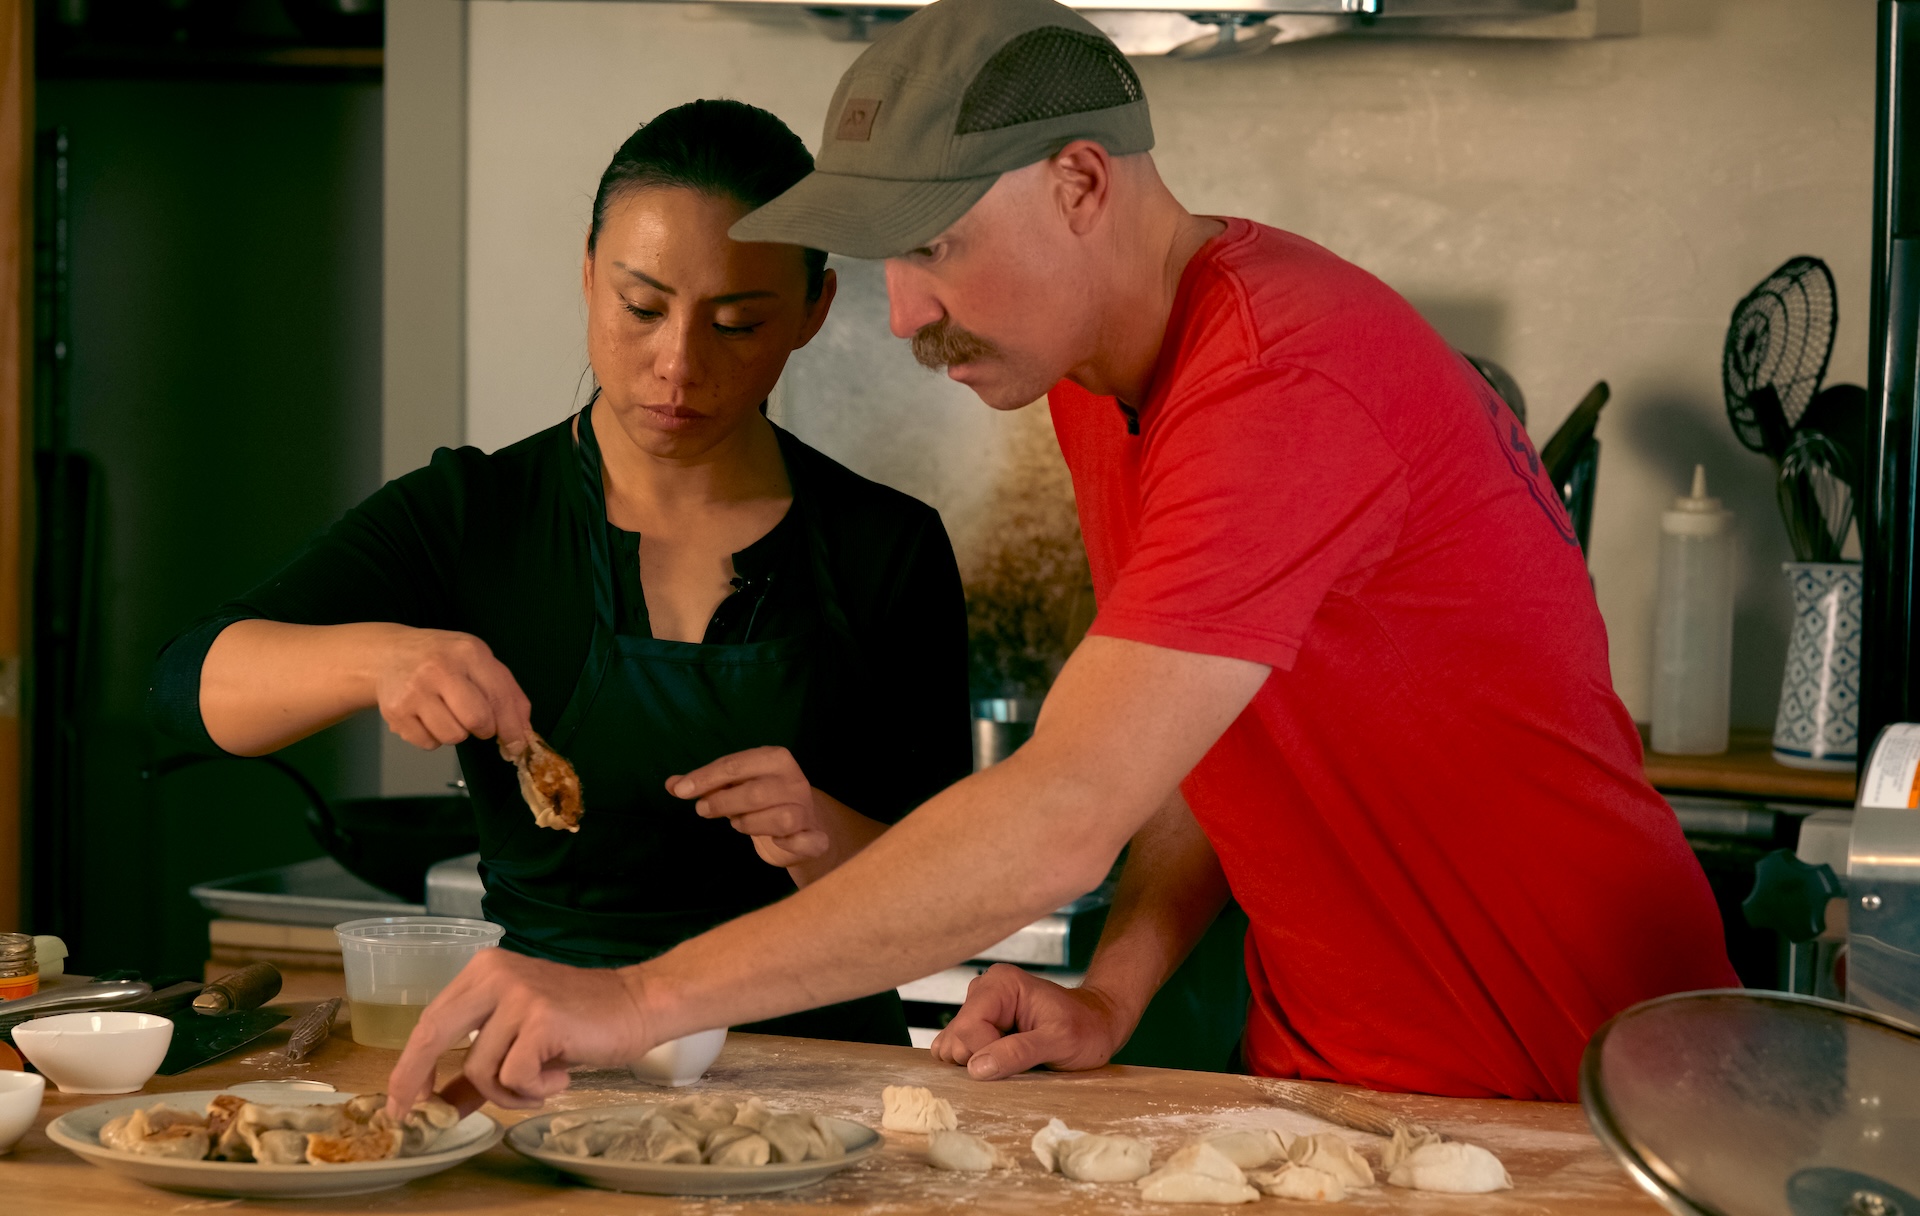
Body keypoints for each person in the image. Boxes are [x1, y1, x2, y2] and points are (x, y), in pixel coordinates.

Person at [385, 0, 1738, 1113]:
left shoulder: (1280, 382)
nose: (907, 310)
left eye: (935, 245)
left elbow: (1063, 813)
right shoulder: (1098, 381)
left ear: (1081, 182)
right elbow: (1211, 746)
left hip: (1572, 1088)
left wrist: (633, 997)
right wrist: (1114, 992)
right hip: (1339, 1087)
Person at [147, 99, 971, 1045]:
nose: (678, 364)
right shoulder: (477, 514)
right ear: (587, 279)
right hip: (545, 1070)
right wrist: (378, 659)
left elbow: (953, 892)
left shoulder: (885, 545)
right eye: (642, 308)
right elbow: (183, 685)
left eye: (737, 325)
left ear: (812, 314)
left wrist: (826, 838)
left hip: (826, 1087)